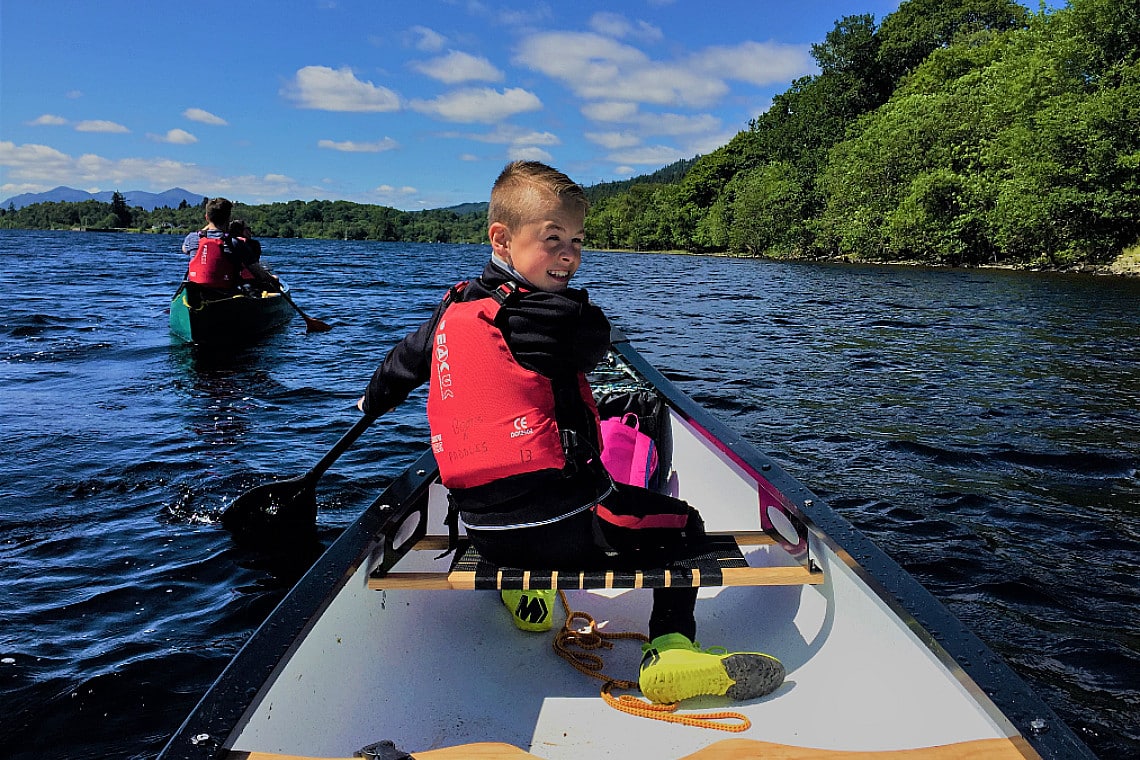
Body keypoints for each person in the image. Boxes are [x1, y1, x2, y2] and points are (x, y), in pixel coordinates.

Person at [357, 161, 784, 705]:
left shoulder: (454, 308)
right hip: (569, 526)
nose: (569, 256)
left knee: (529, 515)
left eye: (577, 242)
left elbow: (401, 365)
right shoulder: (559, 316)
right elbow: (592, 343)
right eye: (553, 238)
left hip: (485, 536)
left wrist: (372, 401)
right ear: (502, 240)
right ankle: (673, 649)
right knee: (686, 526)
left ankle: (530, 598)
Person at [181, 198, 273, 291]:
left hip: (196, 291)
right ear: (228, 219)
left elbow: (184, 249)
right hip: (225, 292)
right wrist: (273, 279)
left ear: (206, 217)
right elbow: (259, 274)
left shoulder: (192, 238)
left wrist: (204, 230)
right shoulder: (235, 243)